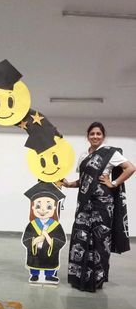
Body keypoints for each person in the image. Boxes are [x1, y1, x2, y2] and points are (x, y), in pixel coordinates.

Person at [62, 122, 135, 292]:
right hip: (84, 203)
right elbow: (83, 182)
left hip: (103, 204)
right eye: (92, 134)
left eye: (98, 134)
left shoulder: (110, 153)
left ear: (103, 136)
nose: (95, 136)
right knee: (80, 239)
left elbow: (130, 168)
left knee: (100, 241)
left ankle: (96, 280)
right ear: (87, 136)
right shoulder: (83, 156)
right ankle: (78, 277)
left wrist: (114, 182)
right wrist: (68, 184)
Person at [22, 181, 66, 284]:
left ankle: (49, 275)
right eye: (38, 206)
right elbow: (26, 239)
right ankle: (34, 274)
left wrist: (48, 237)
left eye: (49, 207)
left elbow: (61, 240)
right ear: (33, 207)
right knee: (34, 259)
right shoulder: (32, 224)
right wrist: (36, 240)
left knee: (50, 261)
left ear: (54, 207)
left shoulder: (56, 226)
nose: (43, 210)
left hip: (49, 253)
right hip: (36, 252)